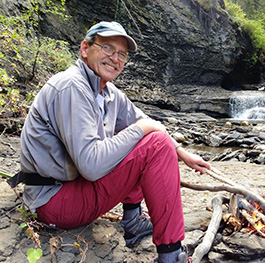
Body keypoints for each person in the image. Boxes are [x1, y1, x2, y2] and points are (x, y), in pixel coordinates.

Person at [18, 21, 211, 263]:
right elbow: (91, 165)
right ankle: (172, 255)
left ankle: (132, 221)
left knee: (151, 139)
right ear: (85, 49)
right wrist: (142, 130)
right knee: (154, 144)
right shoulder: (71, 86)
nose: (115, 58)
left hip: (70, 190)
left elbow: (143, 120)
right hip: (54, 201)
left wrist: (182, 152)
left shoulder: (107, 92)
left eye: (121, 54)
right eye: (107, 48)